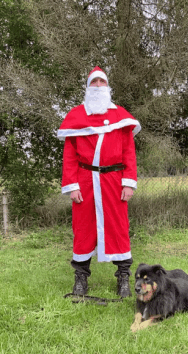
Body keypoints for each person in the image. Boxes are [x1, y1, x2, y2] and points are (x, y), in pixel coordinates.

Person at [57, 66, 141, 297]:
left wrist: (128, 182)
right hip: (84, 180)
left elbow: (129, 152)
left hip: (114, 180)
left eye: (101, 82)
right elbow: (70, 156)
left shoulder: (120, 117)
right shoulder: (76, 117)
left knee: (119, 227)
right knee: (83, 229)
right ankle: (81, 279)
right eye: (93, 82)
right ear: (87, 87)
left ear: (107, 86)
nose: (97, 86)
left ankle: (123, 278)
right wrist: (72, 185)